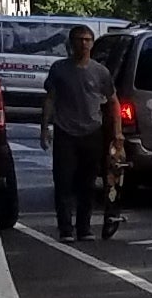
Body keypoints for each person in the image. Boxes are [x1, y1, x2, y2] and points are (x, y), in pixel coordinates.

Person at [43, 26, 116, 240]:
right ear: (71, 43)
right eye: (79, 40)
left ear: (92, 43)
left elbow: (113, 101)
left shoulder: (100, 72)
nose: (83, 44)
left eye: (87, 40)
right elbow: (50, 98)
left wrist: (117, 133)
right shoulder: (59, 69)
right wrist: (44, 127)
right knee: (64, 181)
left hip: (92, 132)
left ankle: (84, 228)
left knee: (87, 183)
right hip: (65, 132)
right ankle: (66, 228)